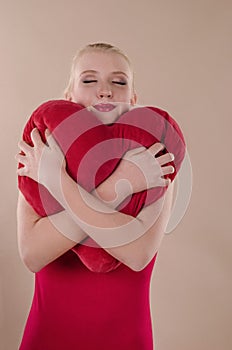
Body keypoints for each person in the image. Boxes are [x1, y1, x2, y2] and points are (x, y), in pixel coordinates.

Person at [16, 43, 185, 350]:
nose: (104, 91)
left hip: (126, 341)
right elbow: (32, 254)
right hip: (47, 338)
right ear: (68, 96)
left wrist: (56, 181)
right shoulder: (40, 153)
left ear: (133, 100)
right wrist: (119, 185)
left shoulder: (157, 157)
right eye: (89, 80)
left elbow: (137, 254)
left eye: (118, 82)